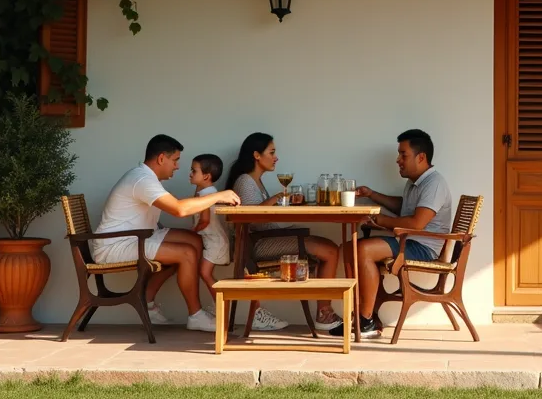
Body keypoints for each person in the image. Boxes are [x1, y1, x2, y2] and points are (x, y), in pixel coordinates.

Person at [90, 134, 240, 333]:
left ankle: (149, 303)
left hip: (138, 237)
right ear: (161, 158)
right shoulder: (142, 180)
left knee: (194, 241)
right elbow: (179, 209)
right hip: (115, 246)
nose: (177, 166)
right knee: (186, 253)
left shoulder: (146, 177)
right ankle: (196, 315)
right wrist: (219, 195)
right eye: (175, 160)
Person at [338, 129, 452, 339]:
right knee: (348, 248)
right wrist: (372, 195)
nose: (398, 160)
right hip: (408, 241)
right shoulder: (415, 182)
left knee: (362, 249)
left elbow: (417, 222)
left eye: (403, 155)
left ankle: (366, 320)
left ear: (421, 157)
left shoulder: (434, 184)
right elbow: (404, 207)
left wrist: (380, 220)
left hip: (423, 248)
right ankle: (359, 315)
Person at [227, 132, 343, 332]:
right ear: (256, 155)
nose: (276, 157)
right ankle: (324, 314)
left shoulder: (256, 181)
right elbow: (251, 219)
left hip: (268, 239)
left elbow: (263, 214)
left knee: (328, 247)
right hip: (259, 244)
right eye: (271, 152)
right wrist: (276, 198)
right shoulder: (245, 181)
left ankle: (324, 311)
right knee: (330, 251)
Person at [188, 154, 230, 310]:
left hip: (214, 242)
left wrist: (192, 232)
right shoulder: (205, 191)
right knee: (203, 273)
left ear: (206, 176)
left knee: (205, 273)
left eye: (194, 170)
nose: (190, 173)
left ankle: (222, 305)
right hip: (212, 241)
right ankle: (219, 304)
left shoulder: (207, 195)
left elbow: (204, 221)